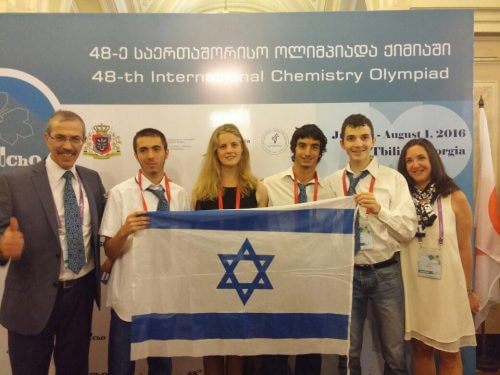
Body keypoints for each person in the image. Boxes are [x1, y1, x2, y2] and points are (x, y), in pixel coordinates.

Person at [0, 110, 106, 375]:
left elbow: (102, 231)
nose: (67, 146)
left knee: (74, 368)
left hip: (80, 294)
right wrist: (3, 246)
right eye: (60, 137)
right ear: (47, 138)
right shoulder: (14, 181)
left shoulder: (92, 180)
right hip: (32, 299)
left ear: (84, 142)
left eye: (75, 139)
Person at [325, 114, 417, 375]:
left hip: (386, 272)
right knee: (348, 352)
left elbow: (409, 229)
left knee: (395, 352)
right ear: (342, 143)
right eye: (351, 138)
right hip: (347, 273)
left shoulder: (393, 180)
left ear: (373, 140)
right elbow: (325, 233)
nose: (358, 144)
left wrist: (379, 210)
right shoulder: (332, 183)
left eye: (364, 137)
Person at [99, 128, 190, 375]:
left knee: (161, 368)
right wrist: (124, 231)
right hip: (129, 298)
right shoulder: (119, 194)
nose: (150, 155)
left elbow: (184, 248)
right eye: (143, 150)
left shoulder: (180, 195)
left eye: (156, 149)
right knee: (120, 368)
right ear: (136, 155)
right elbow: (110, 250)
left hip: (164, 297)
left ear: (166, 152)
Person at [397, 138, 478, 375]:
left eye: (421, 158)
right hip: (414, 288)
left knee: (450, 354)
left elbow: (464, 247)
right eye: (409, 160)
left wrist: (469, 292)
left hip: (448, 288)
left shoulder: (455, 197)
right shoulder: (401, 199)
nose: (415, 165)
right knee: (420, 350)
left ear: (432, 159)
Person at [192, 123, 268, 375]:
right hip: (209, 276)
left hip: (244, 275)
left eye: (234, 144)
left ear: (243, 149)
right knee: (211, 344)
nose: (229, 150)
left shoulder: (258, 189)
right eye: (222, 146)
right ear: (214, 152)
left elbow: (264, 237)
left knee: (237, 345)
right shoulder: (200, 191)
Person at [256, 124, 332, 375]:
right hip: (277, 276)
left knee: (310, 349)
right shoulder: (268, 184)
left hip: (315, 279)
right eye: (302, 145)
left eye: (314, 147)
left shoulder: (332, 191)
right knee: (275, 350)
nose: (308, 152)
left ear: (321, 152)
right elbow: (258, 230)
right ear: (293, 148)